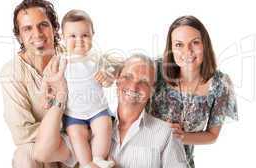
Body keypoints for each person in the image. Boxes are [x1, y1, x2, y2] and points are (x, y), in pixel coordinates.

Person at [34, 54, 188, 168]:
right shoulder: (96, 127)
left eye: (143, 82)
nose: (134, 86)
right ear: (117, 81)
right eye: (127, 77)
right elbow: (43, 152)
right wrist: (61, 96)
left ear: (152, 91)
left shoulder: (165, 133)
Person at [150, 15, 238, 168]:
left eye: (195, 43)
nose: (187, 51)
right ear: (171, 48)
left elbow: (212, 135)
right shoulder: (155, 69)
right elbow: (123, 71)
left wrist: (181, 136)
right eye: (179, 44)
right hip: (142, 158)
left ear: (205, 45)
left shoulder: (220, 84)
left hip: (181, 163)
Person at [1, 0, 72, 168]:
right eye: (27, 29)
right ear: (19, 36)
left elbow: (108, 62)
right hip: (45, 146)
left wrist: (111, 71)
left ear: (54, 28)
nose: (37, 34)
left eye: (43, 25)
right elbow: (22, 133)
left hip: (78, 142)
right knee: (24, 156)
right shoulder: (12, 73)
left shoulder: (72, 55)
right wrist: (60, 129)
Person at [60, 9, 119, 168]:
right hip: (74, 113)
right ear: (62, 38)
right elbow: (52, 81)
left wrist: (107, 78)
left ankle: (99, 158)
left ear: (93, 35)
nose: (79, 40)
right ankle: (86, 163)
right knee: (75, 134)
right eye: (72, 36)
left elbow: (109, 79)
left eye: (85, 35)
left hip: (97, 109)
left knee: (104, 126)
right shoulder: (62, 61)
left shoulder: (97, 58)